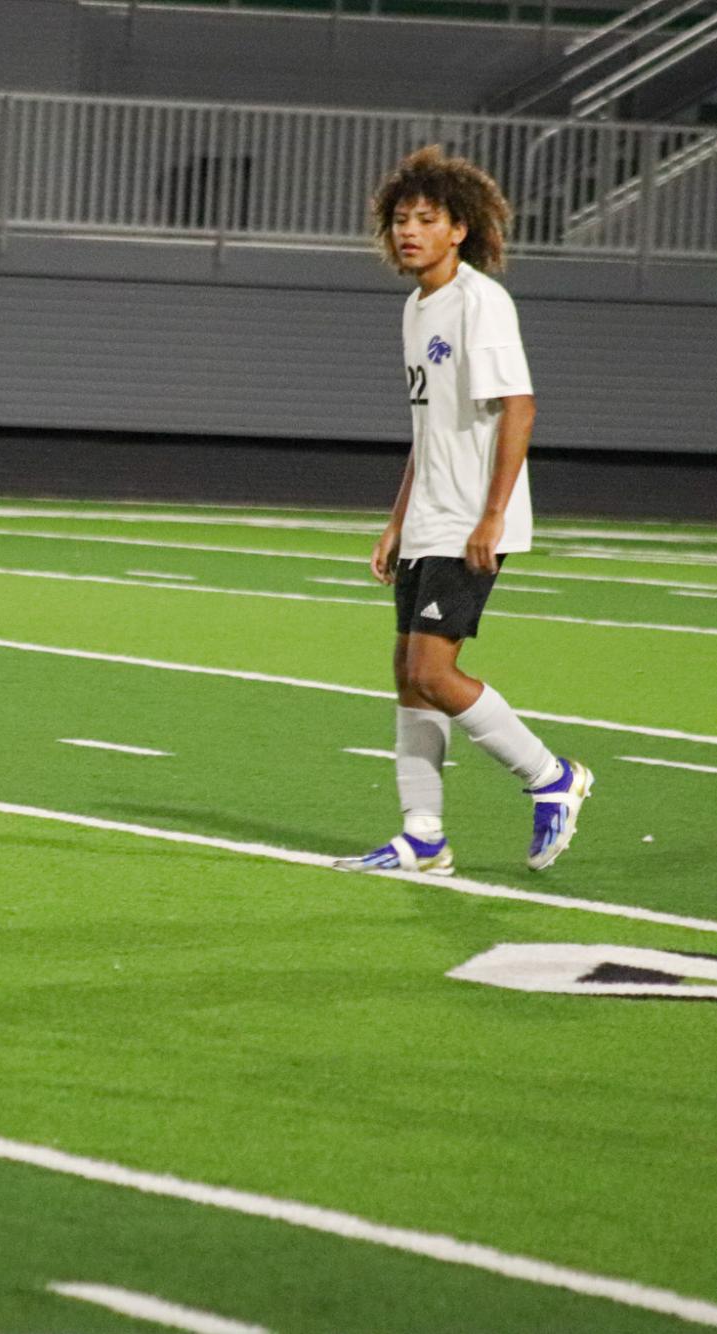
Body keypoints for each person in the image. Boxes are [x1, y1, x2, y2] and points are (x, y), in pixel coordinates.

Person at [336, 146, 592, 878]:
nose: (408, 231)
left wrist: (491, 515)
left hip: (470, 520)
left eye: (426, 219)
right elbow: (429, 428)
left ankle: (550, 775)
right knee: (407, 675)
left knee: (433, 668)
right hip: (428, 517)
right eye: (399, 220)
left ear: (459, 229)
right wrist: (396, 519)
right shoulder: (415, 309)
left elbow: (519, 407)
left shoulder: (480, 302)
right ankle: (422, 836)